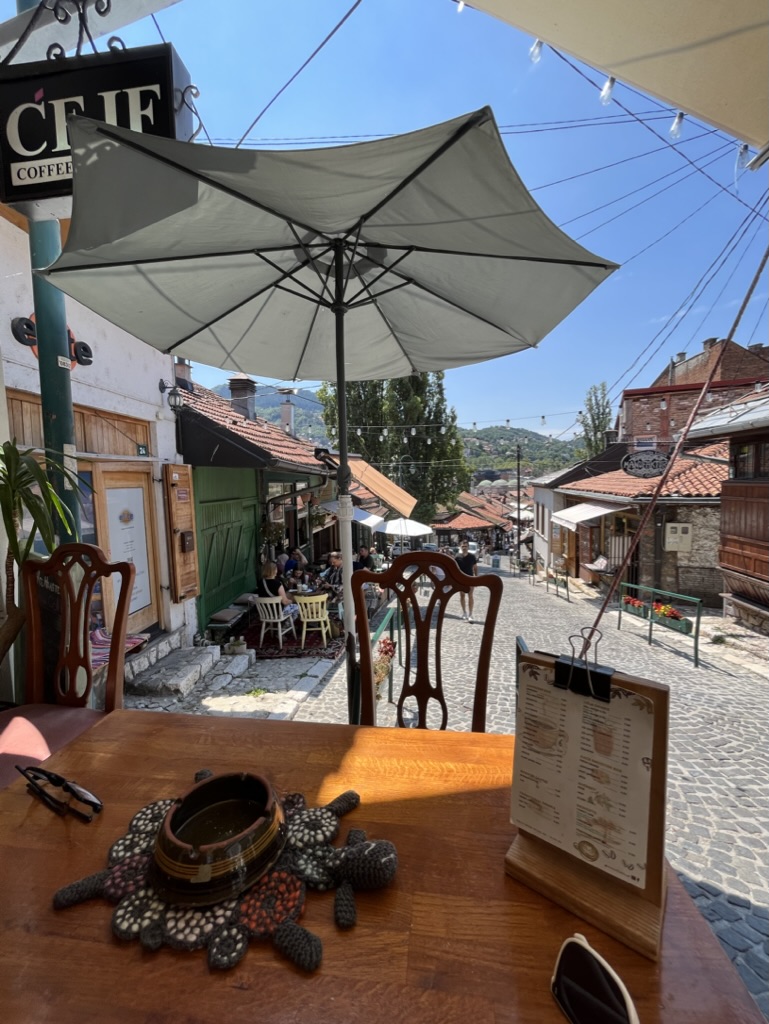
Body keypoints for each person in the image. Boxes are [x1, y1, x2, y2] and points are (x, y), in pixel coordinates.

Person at [455, 539, 478, 623]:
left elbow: (475, 567)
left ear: (468, 547)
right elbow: (455, 569)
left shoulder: (472, 556)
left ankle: (470, 614)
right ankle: (464, 612)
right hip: (461, 579)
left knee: (470, 596)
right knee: (462, 596)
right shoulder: (457, 557)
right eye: (463, 546)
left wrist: (476, 577)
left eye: (466, 546)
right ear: (460, 547)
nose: (464, 547)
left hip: (470, 578)